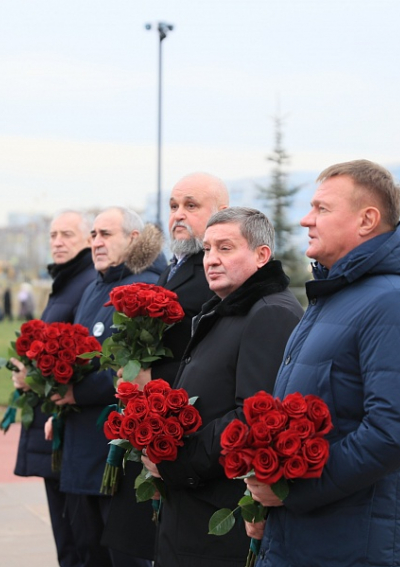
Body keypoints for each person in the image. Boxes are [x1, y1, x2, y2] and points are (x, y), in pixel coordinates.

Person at [245, 160, 400, 567]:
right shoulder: (335, 295)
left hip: (350, 547)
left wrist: (292, 489)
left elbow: (392, 433)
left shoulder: (395, 305)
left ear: (367, 219)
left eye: (321, 209)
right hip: (305, 538)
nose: (305, 220)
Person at [141, 207, 303, 567]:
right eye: (208, 248)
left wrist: (175, 462)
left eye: (225, 248)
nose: (211, 259)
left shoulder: (269, 313)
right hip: (195, 508)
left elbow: (252, 417)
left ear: (262, 255)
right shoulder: (228, 308)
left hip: (219, 517)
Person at [102, 172, 230, 561]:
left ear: (221, 213)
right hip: (155, 425)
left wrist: (152, 379)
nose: (178, 214)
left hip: (189, 430)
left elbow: (216, 360)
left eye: (191, 206)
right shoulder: (171, 268)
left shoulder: (216, 276)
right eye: (174, 206)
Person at [53, 207, 166, 567]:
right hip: (80, 449)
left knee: (123, 557)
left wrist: (77, 393)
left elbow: (128, 368)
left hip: (114, 452)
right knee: (86, 552)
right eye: (94, 235)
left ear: (133, 239)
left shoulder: (145, 287)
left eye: (106, 234)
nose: (97, 243)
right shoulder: (92, 288)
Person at [9, 210, 95, 567]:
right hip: (53, 418)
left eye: (67, 235)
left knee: (77, 542)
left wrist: (35, 377)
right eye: (53, 235)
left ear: (88, 240)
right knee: (68, 540)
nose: (58, 241)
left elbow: (82, 357)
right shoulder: (68, 279)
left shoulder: (86, 281)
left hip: (64, 420)